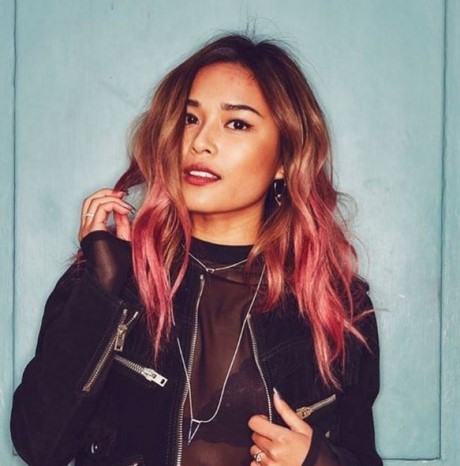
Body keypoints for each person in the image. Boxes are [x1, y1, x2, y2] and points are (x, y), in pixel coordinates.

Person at [11, 34, 382, 466]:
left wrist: (318, 460)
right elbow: (38, 446)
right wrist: (102, 292)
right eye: (190, 119)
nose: (200, 142)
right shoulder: (113, 277)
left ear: (285, 159)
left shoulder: (336, 304)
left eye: (236, 123)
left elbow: (361, 456)